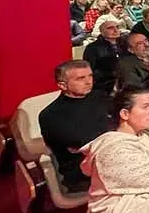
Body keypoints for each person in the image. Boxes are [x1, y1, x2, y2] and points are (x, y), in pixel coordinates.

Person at [39, 61, 113, 193]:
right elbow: (84, 142)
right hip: (81, 173)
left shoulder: (99, 97)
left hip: (113, 157)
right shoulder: (50, 115)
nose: (88, 82)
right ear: (62, 85)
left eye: (90, 76)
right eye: (80, 78)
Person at [83, 21, 123, 94]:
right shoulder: (93, 48)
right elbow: (90, 69)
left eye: (117, 27)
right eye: (110, 28)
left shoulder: (125, 44)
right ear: (102, 32)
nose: (115, 30)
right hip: (105, 84)